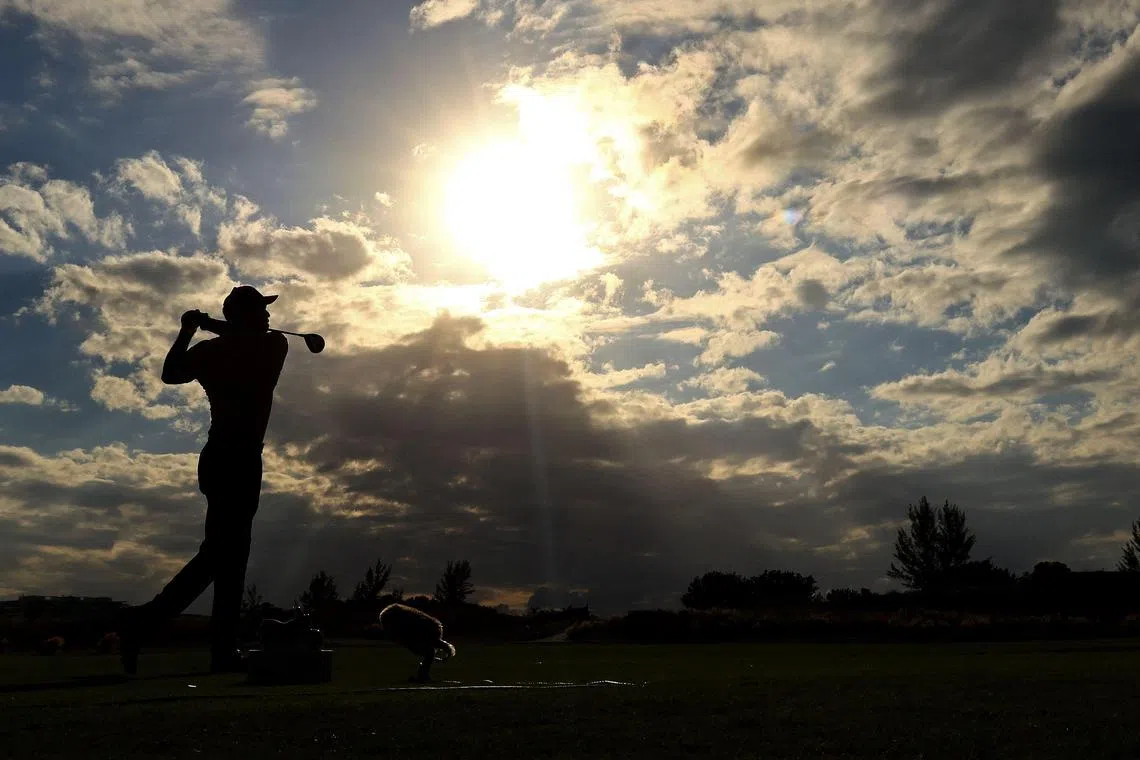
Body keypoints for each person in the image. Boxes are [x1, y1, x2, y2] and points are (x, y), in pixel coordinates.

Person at [118, 285, 289, 674]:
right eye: (260, 310)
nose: (268, 316)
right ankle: (144, 623)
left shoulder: (253, 346)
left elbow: (173, 369)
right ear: (242, 315)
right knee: (223, 555)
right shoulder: (266, 346)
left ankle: (217, 650)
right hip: (234, 460)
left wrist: (192, 329)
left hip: (229, 459)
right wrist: (200, 328)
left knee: (228, 557)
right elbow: (169, 375)